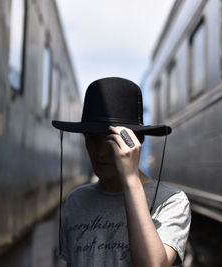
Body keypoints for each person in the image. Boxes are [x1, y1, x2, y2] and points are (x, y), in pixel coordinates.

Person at [52, 77, 191, 267]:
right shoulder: (76, 200)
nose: (100, 152)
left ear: (135, 143)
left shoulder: (170, 202)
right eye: (92, 139)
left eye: (112, 141)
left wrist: (130, 179)